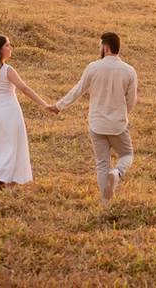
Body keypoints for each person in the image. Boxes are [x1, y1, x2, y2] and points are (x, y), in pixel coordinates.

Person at [52, 32, 138, 205]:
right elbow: (131, 101)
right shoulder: (129, 71)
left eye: (100, 46)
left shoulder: (93, 67)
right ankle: (117, 173)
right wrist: (122, 115)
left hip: (96, 124)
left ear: (105, 48)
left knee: (101, 164)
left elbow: (78, 90)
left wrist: (58, 106)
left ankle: (104, 202)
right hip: (118, 125)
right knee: (127, 154)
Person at [0, 35, 57, 189]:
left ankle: (1, 177)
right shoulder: (7, 70)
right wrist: (44, 104)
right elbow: (24, 88)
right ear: (0, 50)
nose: (10, 48)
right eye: (7, 46)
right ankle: (6, 178)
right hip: (10, 113)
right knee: (13, 145)